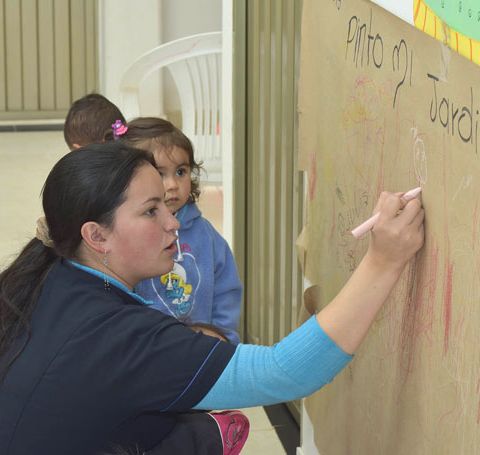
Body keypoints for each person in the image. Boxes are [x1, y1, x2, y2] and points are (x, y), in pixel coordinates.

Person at [0, 142, 424, 454]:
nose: (173, 224)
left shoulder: (46, 276)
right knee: (201, 429)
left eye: (169, 207)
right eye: (151, 211)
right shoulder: (123, 338)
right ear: (96, 236)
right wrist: (384, 261)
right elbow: (286, 373)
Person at [113, 117, 243, 344]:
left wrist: (224, 340)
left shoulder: (207, 236)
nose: (172, 184)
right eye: (160, 173)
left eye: (181, 172)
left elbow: (226, 291)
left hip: (201, 353)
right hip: (147, 354)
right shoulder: (125, 234)